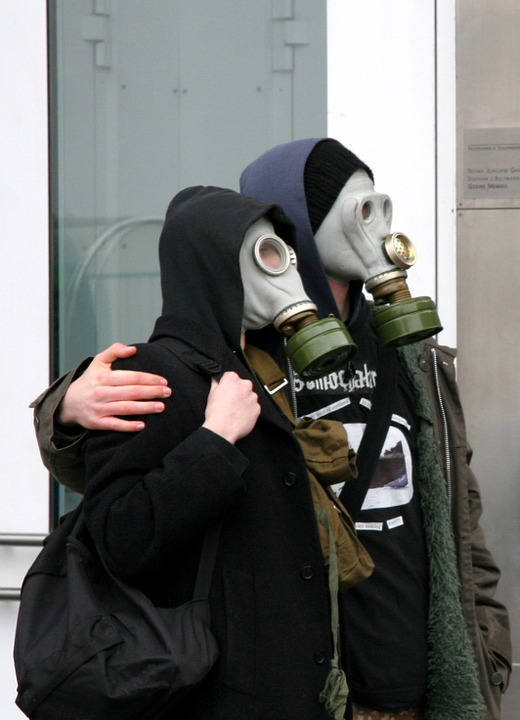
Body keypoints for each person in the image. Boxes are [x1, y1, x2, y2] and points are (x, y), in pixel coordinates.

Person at [32, 140, 512, 720]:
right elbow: (126, 465)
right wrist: (64, 407)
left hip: (411, 678)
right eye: (355, 210)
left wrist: (488, 646)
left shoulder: (409, 354)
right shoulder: (235, 360)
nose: (376, 227)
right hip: (306, 683)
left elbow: (459, 511)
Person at [36, 183, 374, 720]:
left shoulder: (259, 371)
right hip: (213, 694)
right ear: (212, 264)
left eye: (288, 255)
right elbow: (121, 536)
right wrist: (215, 439)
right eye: (266, 254)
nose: (285, 272)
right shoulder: (151, 373)